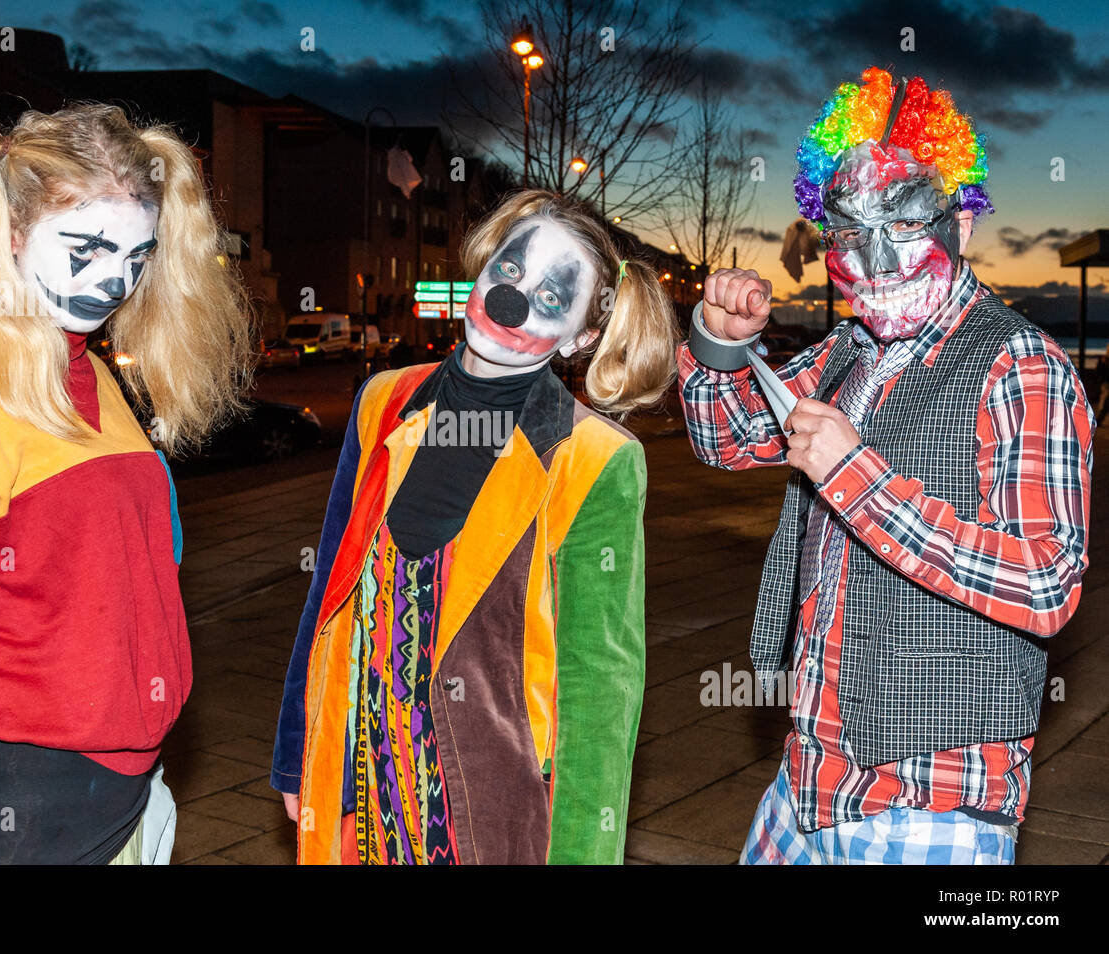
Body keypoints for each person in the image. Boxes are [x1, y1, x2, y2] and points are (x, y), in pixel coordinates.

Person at [679, 67, 1094, 865]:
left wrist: (854, 474)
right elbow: (725, 439)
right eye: (847, 231)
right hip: (808, 780)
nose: (874, 257)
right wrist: (719, 344)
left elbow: (1047, 583)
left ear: (962, 223)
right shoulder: (847, 351)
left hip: (928, 803)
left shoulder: (1021, 365)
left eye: (904, 223)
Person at [0, 103, 254, 864]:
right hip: (19, 810)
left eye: (136, 256)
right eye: (88, 247)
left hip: (126, 798)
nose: (114, 281)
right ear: (8, 235)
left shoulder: (86, 367)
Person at [272, 189, 677, 864]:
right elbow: (327, 597)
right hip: (366, 792)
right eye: (510, 272)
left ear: (582, 337)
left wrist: (580, 855)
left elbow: (600, 694)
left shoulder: (596, 459)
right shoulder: (386, 401)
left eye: (552, 297)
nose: (513, 301)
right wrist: (298, 756)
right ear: (484, 268)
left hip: (490, 812)